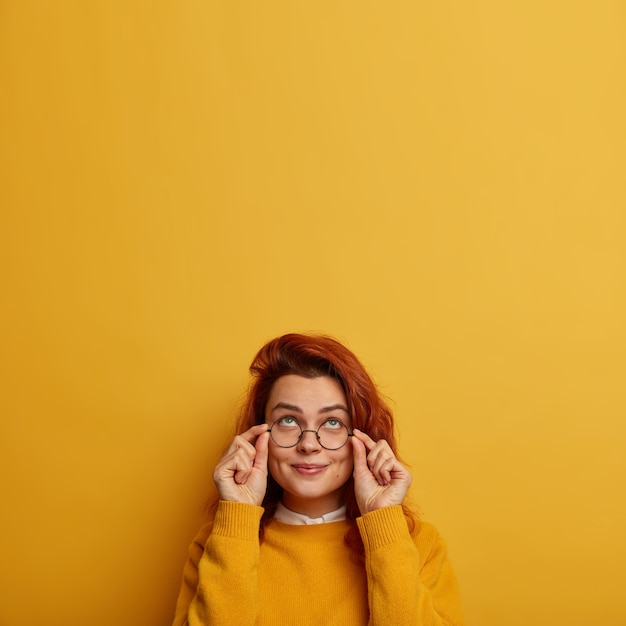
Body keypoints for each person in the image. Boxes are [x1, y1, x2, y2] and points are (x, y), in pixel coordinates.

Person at [172, 333, 465, 625]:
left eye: (333, 422)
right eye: (288, 420)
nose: (309, 445)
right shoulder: (220, 541)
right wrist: (238, 515)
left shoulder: (418, 544)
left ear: (363, 437)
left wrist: (382, 520)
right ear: (259, 433)